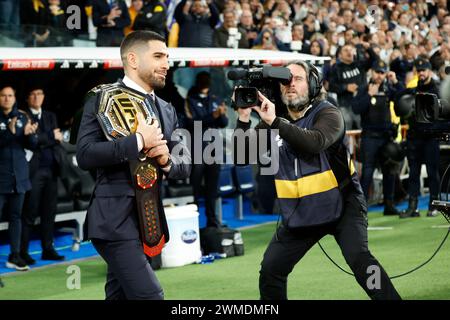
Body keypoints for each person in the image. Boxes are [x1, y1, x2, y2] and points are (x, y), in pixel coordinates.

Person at [234, 61, 401, 300]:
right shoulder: (273, 121)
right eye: (285, 80)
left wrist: (275, 123)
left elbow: (314, 142)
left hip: (343, 204)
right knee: (271, 270)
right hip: (302, 210)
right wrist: (242, 118)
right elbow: (242, 157)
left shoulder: (328, 112)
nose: (290, 84)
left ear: (313, 85)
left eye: (297, 79)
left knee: (361, 261)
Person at [76, 30, 191, 300]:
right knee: (150, 296)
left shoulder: (167, 108)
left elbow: (185, 165)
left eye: (167, 57)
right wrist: (138, 140)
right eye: (158, 56)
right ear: (133, 59)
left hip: (148, 221)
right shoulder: (100, 98)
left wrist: (166, 160)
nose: (166, 63)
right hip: (113, 221)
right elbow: (85, 155)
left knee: (119, 297)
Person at [351, 60, 404, 215]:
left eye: (382, 72)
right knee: (367, 173)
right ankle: (361, 208)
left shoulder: (388, 88)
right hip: (370, 137)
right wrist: (369, 95)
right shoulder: (363, 89)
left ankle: (389, 205)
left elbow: (403, 97)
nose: (380, 75)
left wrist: (396, 81)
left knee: (390, 172)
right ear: (372, 72)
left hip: (386, 137)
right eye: (377, 72)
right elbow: (356, 108)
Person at [20, 86, 65, 265]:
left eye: (40, 94)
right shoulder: (23, 117)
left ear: (44, 97)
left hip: (51, 170)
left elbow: (50, 140)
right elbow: (31, 142)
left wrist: (43, 140)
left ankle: (48, 249)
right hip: (33, 172)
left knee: (49, 212)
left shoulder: (50, 116)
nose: (37, 97)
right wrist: (49, 137)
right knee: (29, 213)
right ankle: (23, 252)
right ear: (27, 98)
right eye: (33, 94)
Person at [0, 85, 38, 271]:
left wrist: (31, 135)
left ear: (15, 98)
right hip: (1, 178)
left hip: (19, 178)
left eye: (10, 96)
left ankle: (14, 255)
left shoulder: (22, 117)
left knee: (16, 217)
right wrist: (10, 131)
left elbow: (31, 145)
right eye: (3, 96)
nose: (7, 99)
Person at [185, 71, 228, 227]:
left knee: (212, 188)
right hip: (197, 149)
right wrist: (213, 116)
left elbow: (223, 122)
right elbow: (193, 123)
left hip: (214, 149)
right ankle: (193, 222)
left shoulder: (216, 99)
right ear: (198, 81)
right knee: (195, 188)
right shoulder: (190, 101)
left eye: (207, 78)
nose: (206, 81)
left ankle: (212, 221)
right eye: (203, 78)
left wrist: (220, 115)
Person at [400, 58, 441, 218]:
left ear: (430, 71)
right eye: (419, 71)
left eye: (424, 70)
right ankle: (413, 207)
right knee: (413, 173)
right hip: (415, 137)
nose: (422, 73)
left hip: (430, 137)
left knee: (432, 172)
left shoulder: (437, 90)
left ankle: (434, 205)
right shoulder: (412, 90)